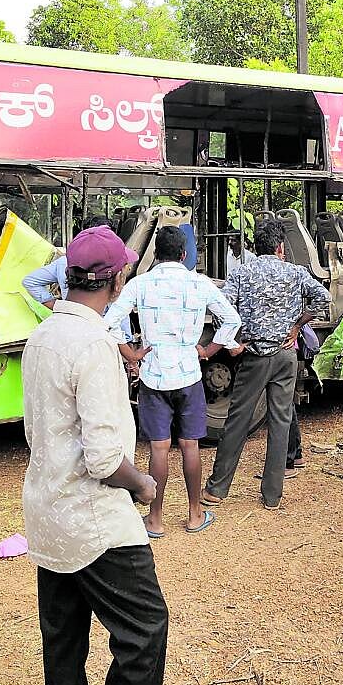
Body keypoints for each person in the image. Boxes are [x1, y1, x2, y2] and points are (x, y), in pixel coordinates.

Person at [21, 225, 168, 685]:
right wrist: (142, 484)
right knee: (145, 630)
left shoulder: (42, 335)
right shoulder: (94, 343)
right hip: (94, 520)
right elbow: (104, 461)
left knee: (63, 642)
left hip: (48, 510)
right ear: (117, 280)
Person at [104, 226, 243, 539]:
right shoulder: (199, 283)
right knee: (190, 445)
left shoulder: (140, 284)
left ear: (156, 254)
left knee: (159, 447)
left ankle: (155, 520)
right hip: (189, 374)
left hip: (154, 376)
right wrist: (208, 350)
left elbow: (108, 323)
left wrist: (131, 354)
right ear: (183, 254)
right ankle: (195, 514)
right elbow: (231, 319)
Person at [204, 219, 331, 510]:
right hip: (286, 356)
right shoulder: (296, 272)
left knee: (237, 421)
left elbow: (221, 309)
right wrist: (297, 326)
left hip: (254, 355)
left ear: (256, 246)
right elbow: (323, 298)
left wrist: (233, 342)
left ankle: (217, 489)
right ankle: (272, 495)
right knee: (281, 421)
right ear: (280, 247)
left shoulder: (241, 273)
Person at [23, 215, 113, 309]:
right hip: (101, 316)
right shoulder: (116, 265)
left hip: (72, 314)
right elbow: (30, 282)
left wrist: (57, 307)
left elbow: (30, 282)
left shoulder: (64, 262)